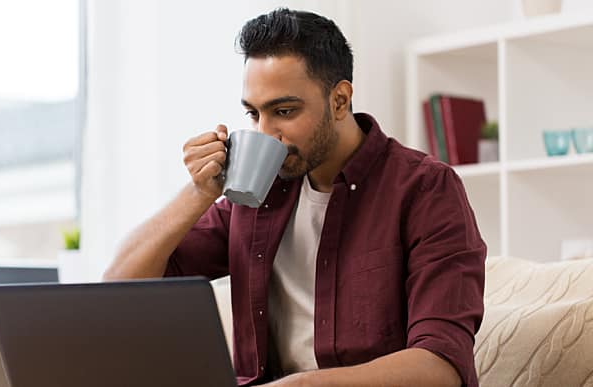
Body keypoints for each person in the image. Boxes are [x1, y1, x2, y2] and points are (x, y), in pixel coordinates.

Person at [104, 8, 485, 387]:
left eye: (283, 111)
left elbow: (441, 368)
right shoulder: (256, 194)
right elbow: (120, 287)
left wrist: (299, 385)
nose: (266, 133)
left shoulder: (425, 190)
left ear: (339, 100)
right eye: (254, 114)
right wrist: (200, 191)